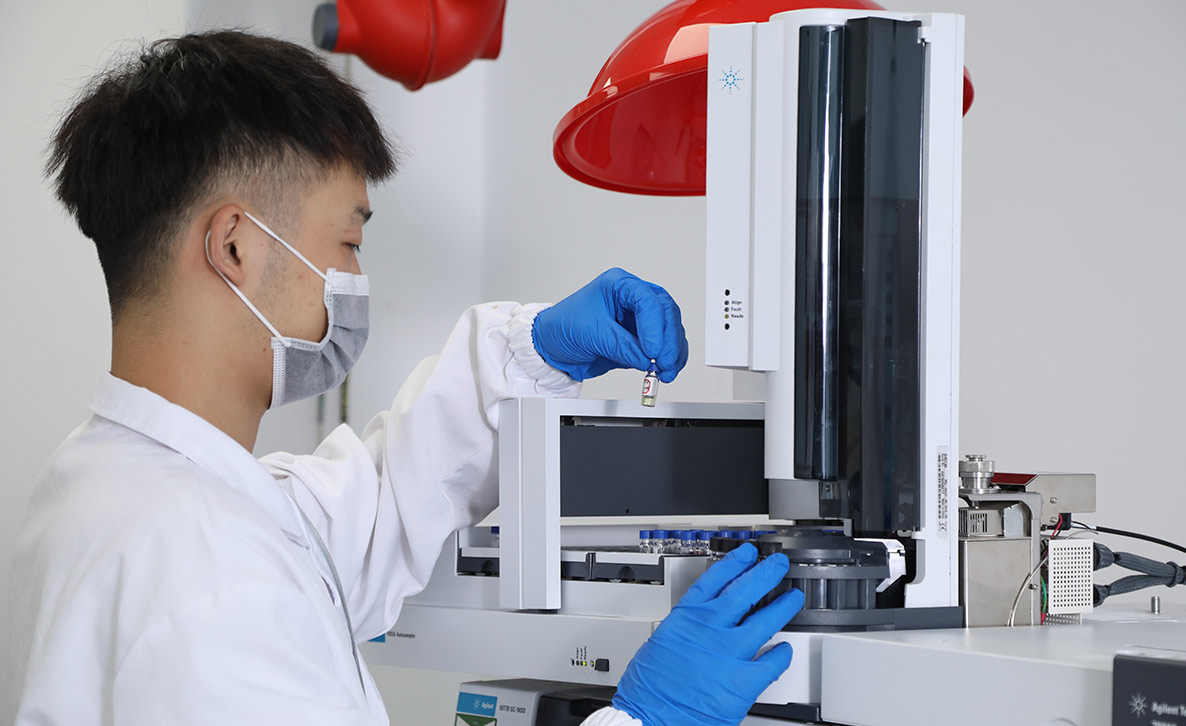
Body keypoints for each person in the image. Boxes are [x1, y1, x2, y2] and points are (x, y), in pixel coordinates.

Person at [7, 30, 803, 726]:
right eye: (348, 243)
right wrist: (646, 718)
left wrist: (530, 354)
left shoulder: (127, 486)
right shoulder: (203, 572)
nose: (357, 279)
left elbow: (376, 507)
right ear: (235, 247)